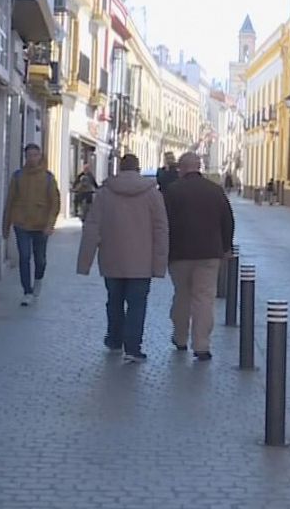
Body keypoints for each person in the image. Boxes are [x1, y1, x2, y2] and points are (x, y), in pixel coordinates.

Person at [77, 153, 168, 362]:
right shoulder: (152, 194)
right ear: (138, 168)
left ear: (120, 168)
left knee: (114, 300)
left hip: (112, 257)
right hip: (142, 260)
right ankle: (133, 348)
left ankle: (114, 339)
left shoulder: (105, 193)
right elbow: (161, 228)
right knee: (137, 303)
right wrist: (160, 262)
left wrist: (85, 262)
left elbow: (92, 226)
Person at [164, 151, 235, 362]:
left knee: (182, 295)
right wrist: (226, 247)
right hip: (209, 254)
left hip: (179, 254)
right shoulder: (215, 191)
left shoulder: (172, 191)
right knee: (204, 298)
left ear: (181, 169)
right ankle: (202, 345)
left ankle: (180, 338)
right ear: (199, 167)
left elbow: (162, 223)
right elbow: (228, 220)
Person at [2, 144, 59, 307]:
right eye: (29, 155)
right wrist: (5, 226)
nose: (32, 158)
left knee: (40, 260)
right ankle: (27, 291)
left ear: (40, 156)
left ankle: (38, 281)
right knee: (25, 257)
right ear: (25, 157)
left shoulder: (48, 178)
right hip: (21, 224)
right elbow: (10, 201)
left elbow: (55, 202)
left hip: (41, 226)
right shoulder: (18, 176)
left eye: (35, 155)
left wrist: (50, 224)